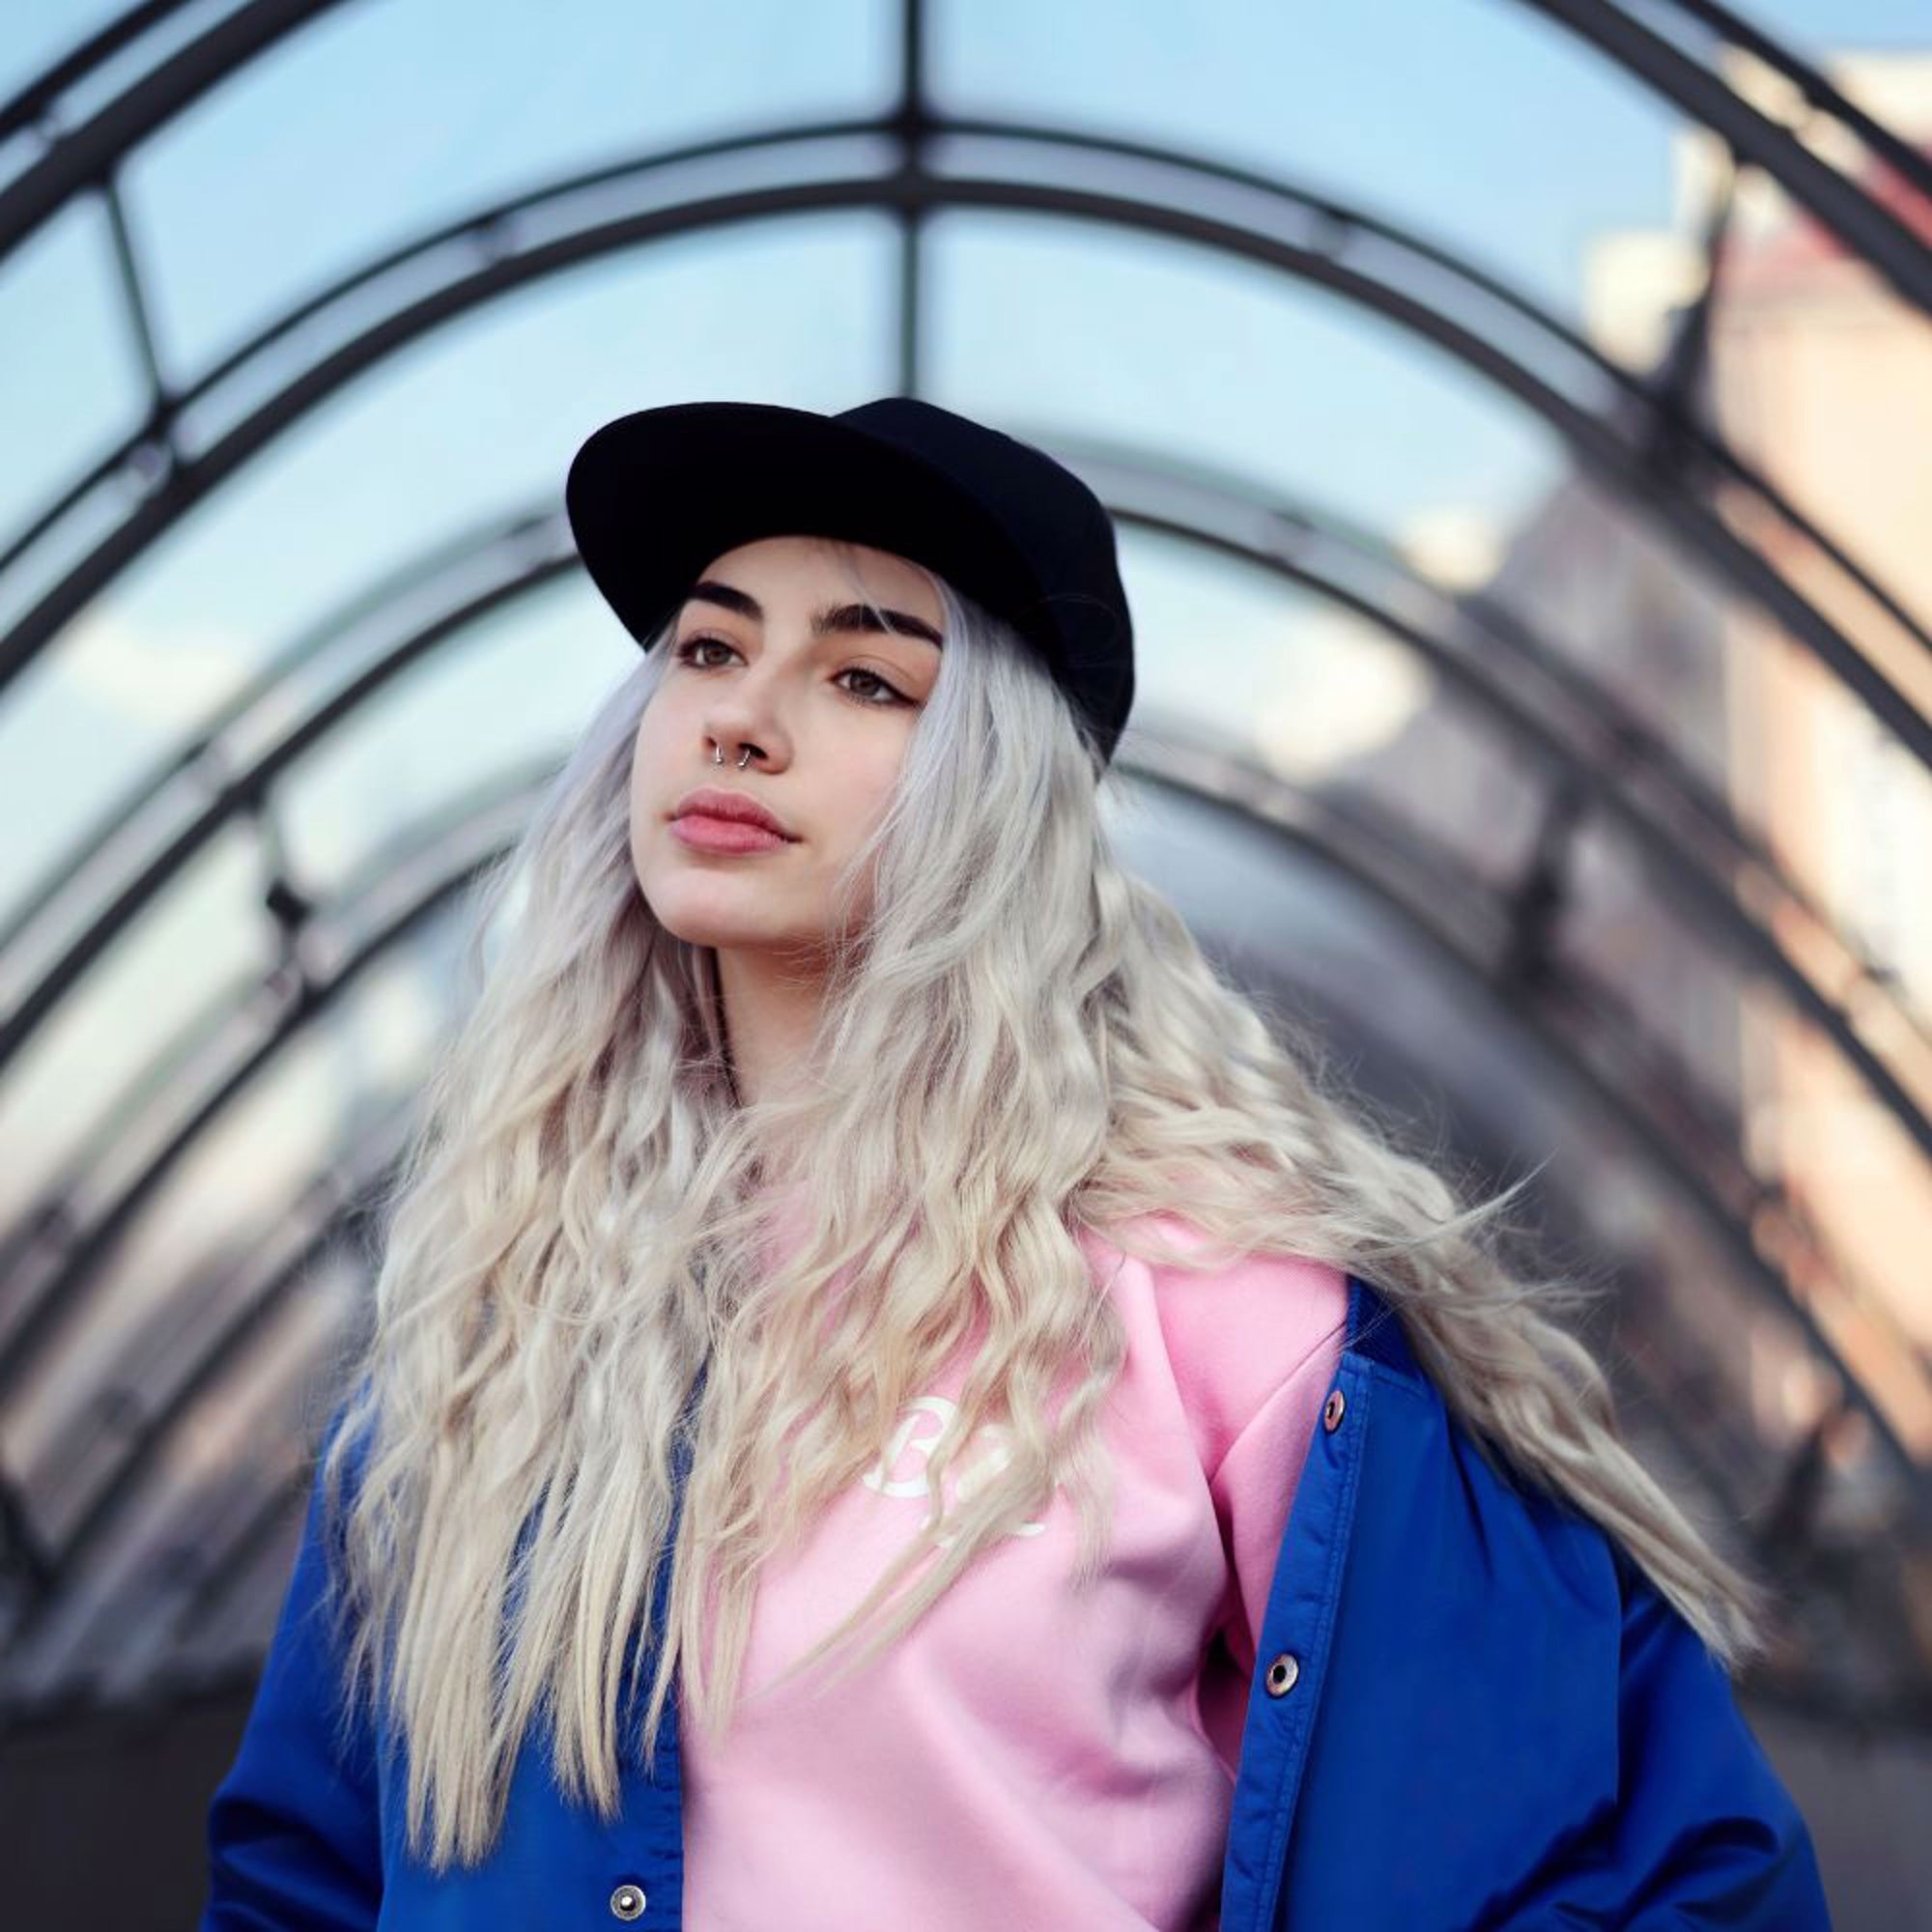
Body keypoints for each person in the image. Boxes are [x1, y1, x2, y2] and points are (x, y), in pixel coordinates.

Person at [199, 397, 1832, 1929]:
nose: (743, 723)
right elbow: (304, 1879)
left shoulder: (1228, 1311)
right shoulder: (497, 1321)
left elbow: (1668, 1865)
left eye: (866, 680)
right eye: (708, 648)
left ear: (998, 786)